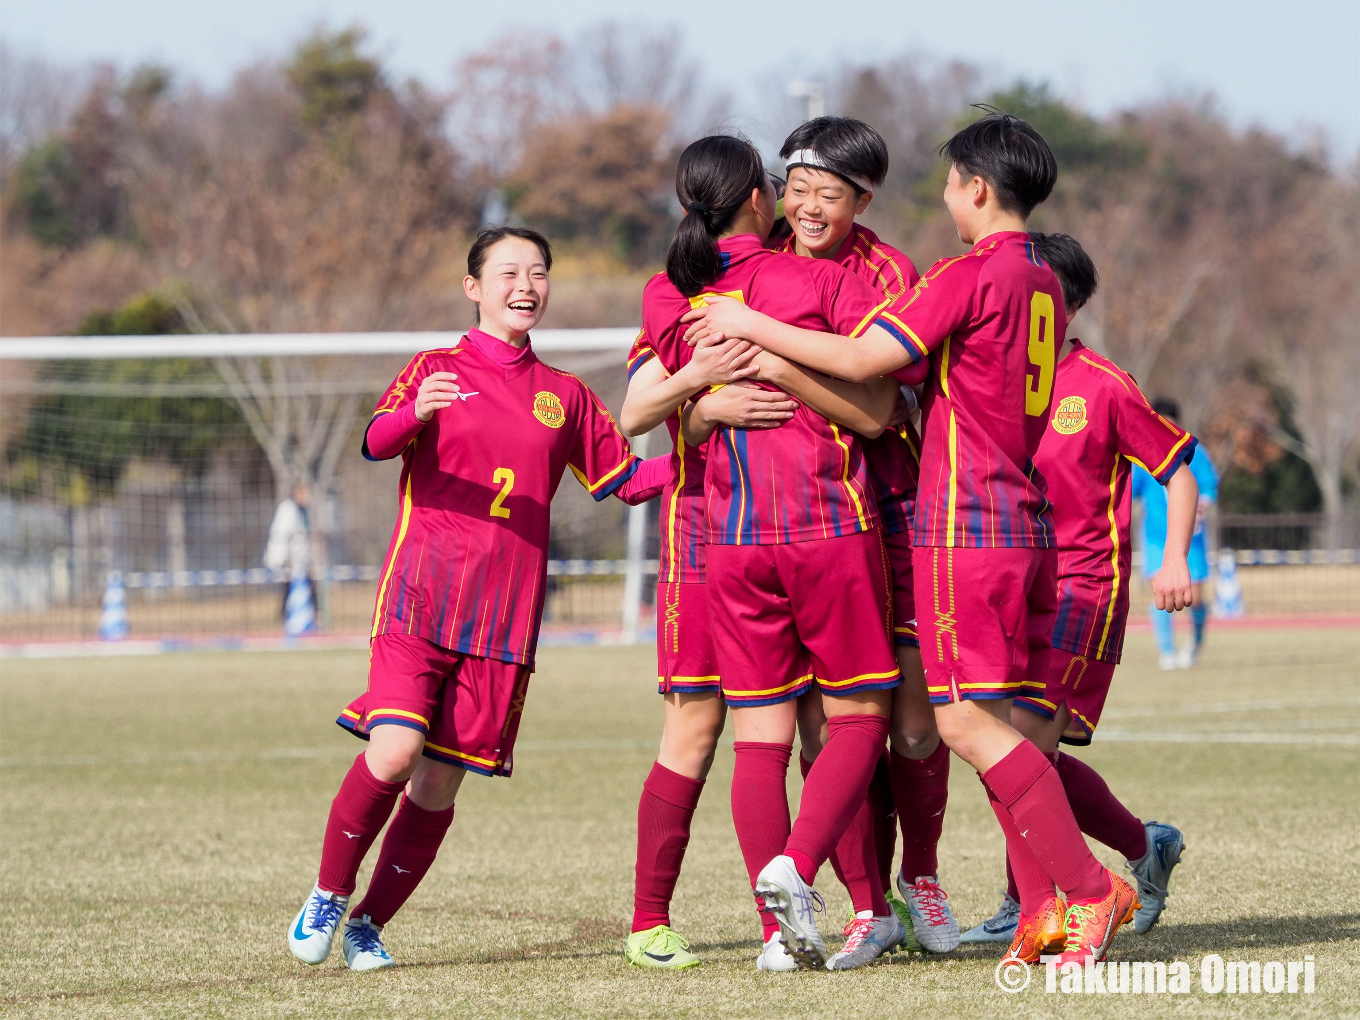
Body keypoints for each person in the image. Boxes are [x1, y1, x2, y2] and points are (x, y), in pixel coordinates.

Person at [681, 112, 1140, 965]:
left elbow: (864, 367)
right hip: (1025, 519)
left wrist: (751, 335)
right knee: (992, 721)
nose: (944, 199)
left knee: (960, 725)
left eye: (948, 184)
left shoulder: (964, 273)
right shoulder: (1045, 276)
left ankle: (1087, 888)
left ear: (974, 187)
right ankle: (1040, 908)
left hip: (965, 524)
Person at [286, 226, 667, 972]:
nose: (525, 285)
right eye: (508, 273)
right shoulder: (436, 368)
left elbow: (626, 483)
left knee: (436, 783)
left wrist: (703, 455)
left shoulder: (567, 397)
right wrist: (416, 414)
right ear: (475, 288)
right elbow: (375, 441)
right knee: (394, 753)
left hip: (502, 622)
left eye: (539, 273)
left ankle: (369, 923)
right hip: (420, 600)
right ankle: (330, 892)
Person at [623, 135, 909, 972]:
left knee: (759, 741)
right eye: (789, 187)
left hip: (731, 542)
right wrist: (753, 377)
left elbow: (636, 410)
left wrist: (716, 389)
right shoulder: (826, 280)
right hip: (826, 525)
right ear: (761, 198)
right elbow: (879, 409)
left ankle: (779, 933)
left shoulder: (668, 291)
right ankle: (806, 874)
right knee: (859, 719)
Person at [958, 232, 1196, 961]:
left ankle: (1035, 906)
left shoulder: (1102, 384)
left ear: (1064, 303)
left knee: (1021, 744)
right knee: (1020, 756)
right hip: (1011, 581)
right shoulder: (989, 377)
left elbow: (1179, 468)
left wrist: (1174, 557)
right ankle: (1136, 847)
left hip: (1080, 590)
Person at [773, 116, 959, 959]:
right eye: (798, 189)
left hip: (890, 515)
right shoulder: (752, 258)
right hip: (792, 525)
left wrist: (770, 361)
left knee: (915, 727)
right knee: (829, 726)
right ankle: (863, 903)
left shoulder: (889, 272)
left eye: (830, 196)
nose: (809, 209)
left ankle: (920, 876)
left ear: (863, 200)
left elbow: (879, 399)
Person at [1133, 402, 1219, 670]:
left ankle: (1194, 642)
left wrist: (1201, 506)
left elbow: (1208, 486)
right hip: (1157, 536)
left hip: (1190, 538)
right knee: (1160, 594)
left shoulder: (1195, 451)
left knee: (1194, 597)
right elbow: (1131, 490)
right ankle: (1167, 651)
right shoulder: (1143, 452)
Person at [264, 482, 314, 626]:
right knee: (286, 590)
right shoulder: (288, 509)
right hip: (286, 561)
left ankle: (303, 619)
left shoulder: (302, 511)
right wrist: (281, 559)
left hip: (299, 561)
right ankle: (285, 620)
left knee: (302, 588)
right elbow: (281, 535)